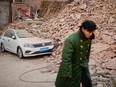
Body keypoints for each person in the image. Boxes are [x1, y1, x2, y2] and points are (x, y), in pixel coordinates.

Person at [55, 20, 97, 87]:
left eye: (92, 32)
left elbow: (87, 54)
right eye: (89, 31)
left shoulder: (88, 39)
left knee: (87, 82)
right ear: (83, 29)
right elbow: (66, 58)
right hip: (72, 67)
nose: (91, 34)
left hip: (83, 66)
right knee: (69, 84)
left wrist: (86, 62)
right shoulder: (71, 40)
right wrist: (68, 72)